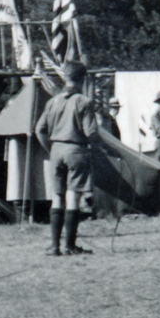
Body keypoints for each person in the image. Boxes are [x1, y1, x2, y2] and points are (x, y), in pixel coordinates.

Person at [34, 61, 101, 255]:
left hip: (56, 150)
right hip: (76, 150)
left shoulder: (52, 101)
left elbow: (40, 129)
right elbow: (91, 133)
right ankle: (70, 246)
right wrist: (98, 148)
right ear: (83, 78)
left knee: (57, 197)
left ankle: (55, 246)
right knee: (73, 197)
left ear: (65, 77)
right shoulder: (84, 102)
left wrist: (50, 148)